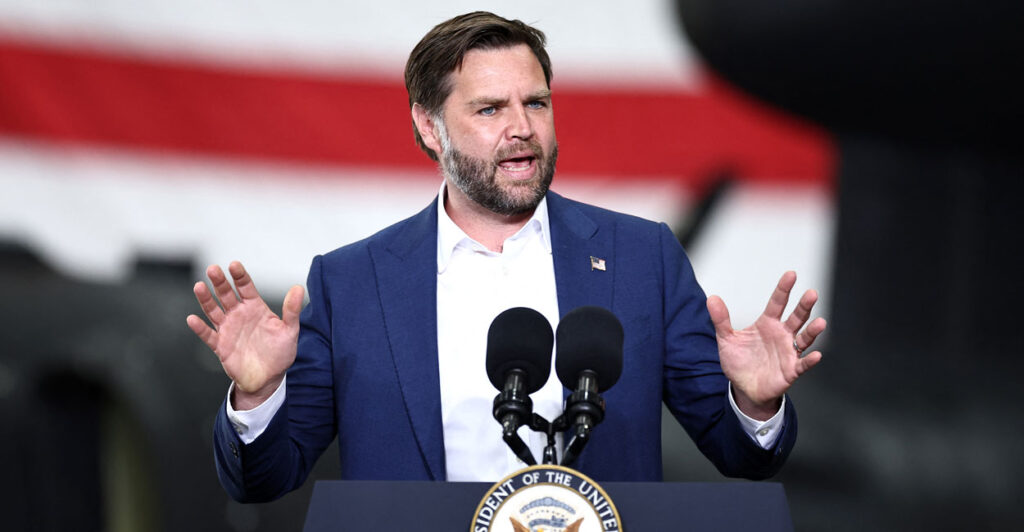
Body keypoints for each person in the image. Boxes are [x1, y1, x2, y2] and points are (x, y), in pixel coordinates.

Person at [186, 11, 825, 503]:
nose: (521, 127)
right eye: (490, 108)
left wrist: (755, 405)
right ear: (430, 127)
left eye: (536, 103)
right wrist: (258, 393)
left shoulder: (642, 258)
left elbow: (742, 454)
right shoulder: (352, 281)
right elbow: (263, 480)